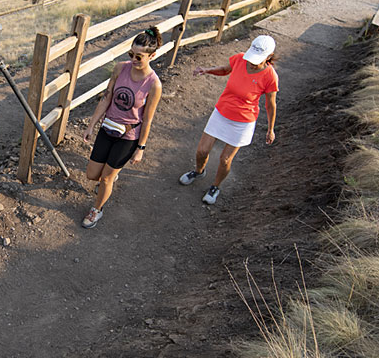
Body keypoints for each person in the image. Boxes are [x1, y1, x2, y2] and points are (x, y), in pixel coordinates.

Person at [178, 34, 278, 205]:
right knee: (202, 151)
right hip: (222, 112)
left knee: (225, 159)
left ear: (268, 57)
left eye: (258, 60)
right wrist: (207, 70)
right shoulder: (240, 59)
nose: (252, 62)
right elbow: (225, 69)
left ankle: (215, 186)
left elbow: (271, 105)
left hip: (243, 121)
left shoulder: (270, 77)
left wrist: (270, 129)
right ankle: (199, 171)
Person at [80, 27, 164, 228]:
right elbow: (107, 97)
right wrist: (91, 126)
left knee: (106, 179)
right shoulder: (120, 68)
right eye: (131, 55)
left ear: (152, 56)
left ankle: (96, 210)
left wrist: (140, 149)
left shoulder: (154, 84)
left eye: (139, 57)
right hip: (108, 127)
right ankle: (110, 175)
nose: (134, 60)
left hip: (128, 136)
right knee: (92, 175)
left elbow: (148, 119)